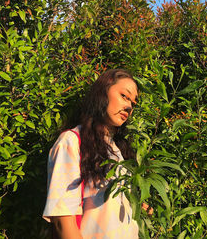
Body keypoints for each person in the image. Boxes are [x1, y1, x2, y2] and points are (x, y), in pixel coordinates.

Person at [43, 69, 139, 239]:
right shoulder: (72, 142)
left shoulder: (118, 150)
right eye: (124, 96)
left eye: (133, 102)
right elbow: (63, 218)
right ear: (103, 92)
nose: (129, 106)